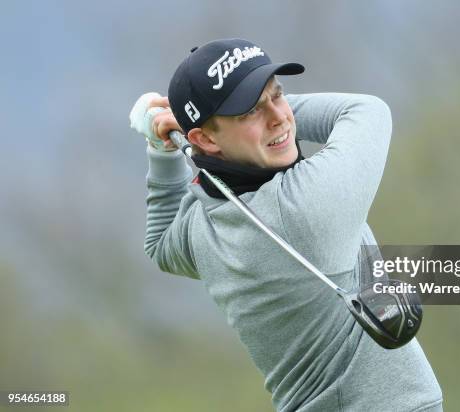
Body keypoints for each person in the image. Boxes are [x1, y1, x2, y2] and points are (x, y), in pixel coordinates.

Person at [140, 38, 443, 411]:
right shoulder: (304, 205)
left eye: (277, 95)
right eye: (248, 111)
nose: (278, 116)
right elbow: (367, 111)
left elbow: (159, 242)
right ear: (206, 139)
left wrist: (162, 149)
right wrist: (193, 126)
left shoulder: (204, 228)